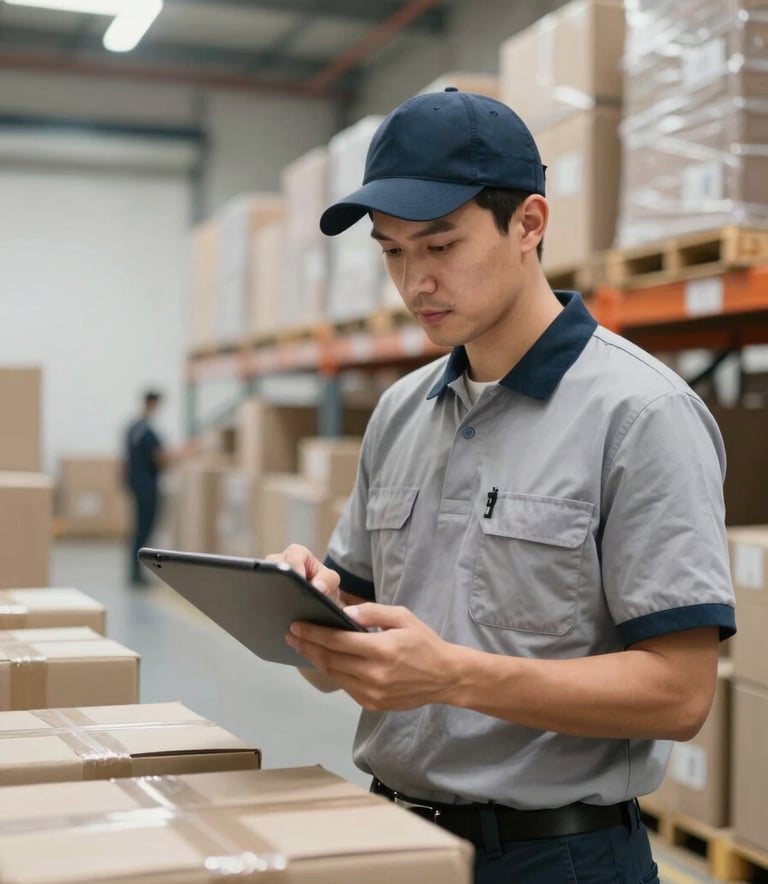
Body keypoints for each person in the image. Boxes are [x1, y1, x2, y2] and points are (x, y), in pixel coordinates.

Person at [267, 88, 736, 884]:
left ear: (530, 224)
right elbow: (352, 635)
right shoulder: (399, 412)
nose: (415, 282)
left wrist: (453, 674)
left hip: (559, 858)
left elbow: (679, 694)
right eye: (392, 252)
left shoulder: (641, 414)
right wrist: (311, 612)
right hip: (395, 839)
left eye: (440, 245)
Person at [123, 390, 176, 586]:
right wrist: (181, 454)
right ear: (153, 404)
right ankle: (137, 574)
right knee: (144, 529)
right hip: (147, 486)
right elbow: (159, 457)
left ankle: (135, 572)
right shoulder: (146, 431)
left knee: (138, 528)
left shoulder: (132, 428)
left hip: (137, 484)